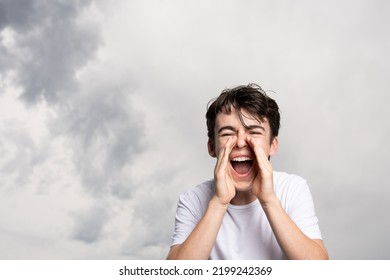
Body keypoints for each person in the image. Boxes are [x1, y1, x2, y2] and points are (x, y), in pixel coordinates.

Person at [167, 84, 328, 260]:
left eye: (254, 132)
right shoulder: (193, 199)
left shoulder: (293, 188)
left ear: (272, 145)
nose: (241, 142)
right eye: (228, 133)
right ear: (212, 147)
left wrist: (269, 201)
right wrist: (219, 203)